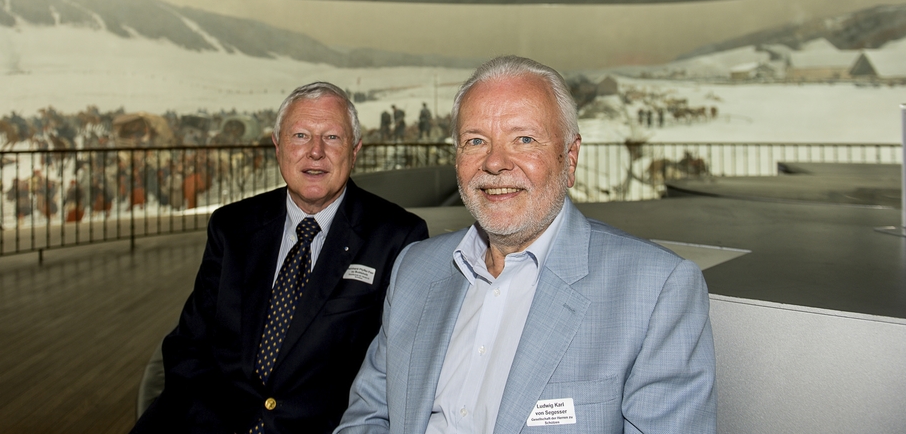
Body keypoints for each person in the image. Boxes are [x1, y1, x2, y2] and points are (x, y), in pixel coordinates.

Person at [336, 56, 716, 434]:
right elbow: (368, 418)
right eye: (475, 141)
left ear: (569, 159)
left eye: (525, 139)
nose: (496, 162)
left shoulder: (655, 290)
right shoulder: (415, 269)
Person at [133, 82, 428, 434]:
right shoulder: (232, 227)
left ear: (355, 149)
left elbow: (397, 374)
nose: (315, 152)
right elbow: (189, 345)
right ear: (278, 146)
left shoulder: (397, 237)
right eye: (300, 135)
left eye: (332, 137)